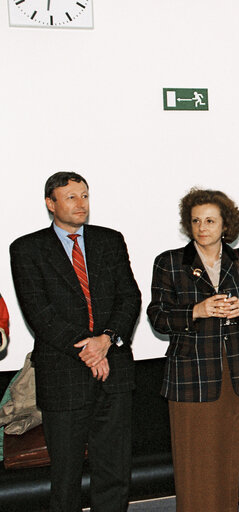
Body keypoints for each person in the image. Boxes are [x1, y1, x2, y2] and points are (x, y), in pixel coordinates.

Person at [9, 171, 141, 512]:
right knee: (65, 475)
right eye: (71, 197)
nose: (80, 204)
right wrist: (89, 348)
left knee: (114, 469)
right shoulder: (27, 248)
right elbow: (39, 312)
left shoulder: (109, 240)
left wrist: (107, 341)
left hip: (115, 371)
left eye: (84, 196)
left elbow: (130, 297)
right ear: (50, 203)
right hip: (63, 373)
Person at [147, 188, 239, 512]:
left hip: (236, 372)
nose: (202, 227)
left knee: (233, 454)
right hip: (190, 374)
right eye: (196, 221)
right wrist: (195, 311)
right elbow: (157, 316)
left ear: (225, 225)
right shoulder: (171, 262)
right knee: (196, 462)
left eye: (210, 220)